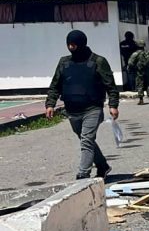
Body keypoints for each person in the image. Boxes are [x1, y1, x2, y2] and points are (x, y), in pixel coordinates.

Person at [45, 30, 120, 179]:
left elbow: (110, 85)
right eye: (69, 45)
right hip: (72, 111)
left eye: (74, 45)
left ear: (81, 44)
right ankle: (103, 166)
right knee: (87, 140)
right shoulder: (64, 62)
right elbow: (55, 85)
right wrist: (50, 104)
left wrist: (113, 105)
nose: (71, 48)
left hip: (92, 109)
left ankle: (83, 175)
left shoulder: (98, 61)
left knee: (86, 140)